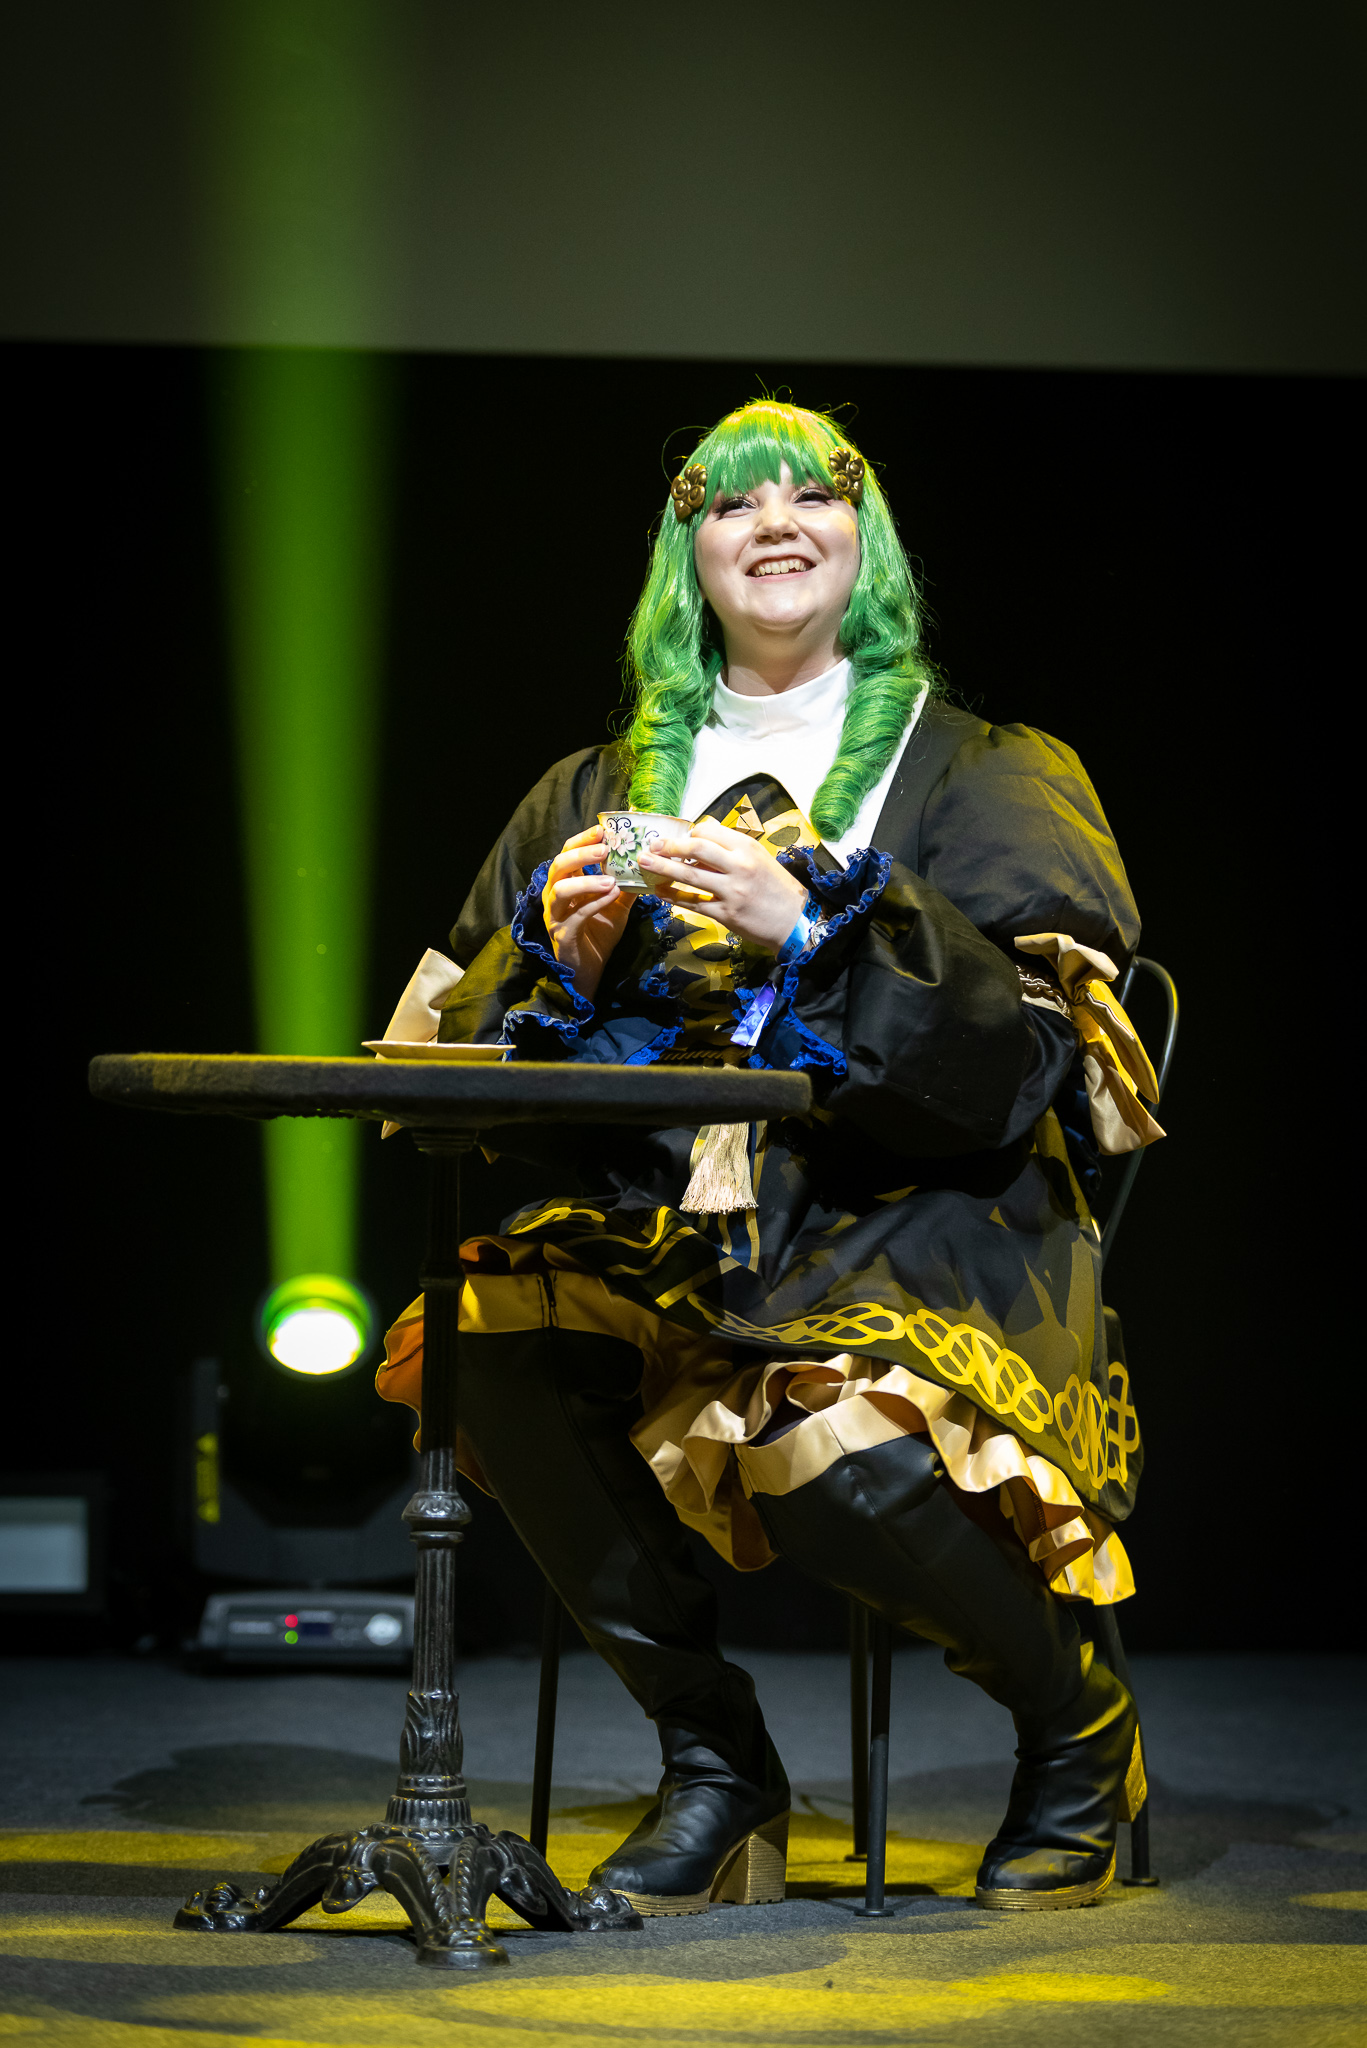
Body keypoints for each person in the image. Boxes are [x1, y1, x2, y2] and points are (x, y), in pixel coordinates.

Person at [377, 399, 1163, 1916]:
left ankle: (1079, 1730)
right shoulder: (593, 788)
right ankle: (718, 1766)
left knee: (823, 1440)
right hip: (667, 1222)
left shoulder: (986, 771)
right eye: (733, 503)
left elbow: (1032, 1068)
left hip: (920, 1212)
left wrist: (809, 928)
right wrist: (560, 968)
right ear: (688, 554)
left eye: (815, 494)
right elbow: (445, 1072)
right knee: (492, 1345)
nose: (777, 522)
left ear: (869, 544)